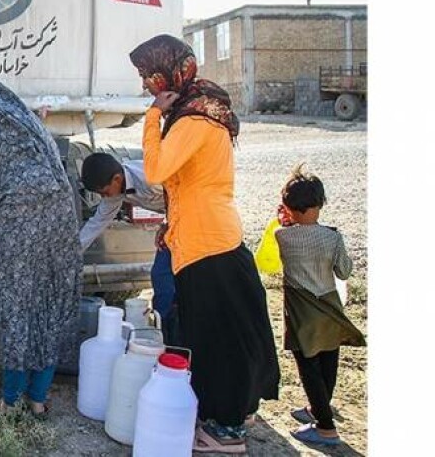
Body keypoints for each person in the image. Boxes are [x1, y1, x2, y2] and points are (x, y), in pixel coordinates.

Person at [132, 34, 279, 454]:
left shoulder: (194, 119)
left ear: (171, 71)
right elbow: (186, 183)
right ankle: (236, 412)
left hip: (207, 245)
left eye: (149, 74)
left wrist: (151, 118)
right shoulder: (197, 111)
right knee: (231, 334)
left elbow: (157, 169)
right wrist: (171, 225)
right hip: (204, 238)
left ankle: (226, 430)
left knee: (217, 342)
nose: (146, 84)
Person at [0, 66, 83, 418]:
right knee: (50, 302)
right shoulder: (21, 113)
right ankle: (38, 398)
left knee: (18, 304)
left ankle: (10, 401)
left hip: (20, 222)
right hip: (60, 218)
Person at [276, 166, 365, 447]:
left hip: (301, 312)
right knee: (329, 361)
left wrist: (284, 219)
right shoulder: (332, 237)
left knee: (308, 368)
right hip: (329, 306)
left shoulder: (282, 236)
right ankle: (318, 409)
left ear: (288, 207)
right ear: (321, 203)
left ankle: (326, 428)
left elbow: (278, 237)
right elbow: (344, 272)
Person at [78, 153, 177, 343]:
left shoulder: (149, 176)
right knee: (162, 277)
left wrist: (168, 223)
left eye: (105, 193)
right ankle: (163, 332)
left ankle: (171, 334)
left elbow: (183, 191)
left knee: (166, 277)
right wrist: (72, 254)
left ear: (117, 179)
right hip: (174, 221)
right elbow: (97, 223)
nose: (104, 197)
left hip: (192, 216)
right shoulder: (116, 191)